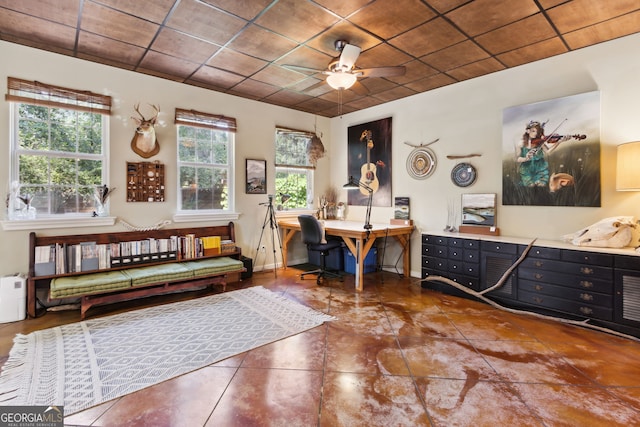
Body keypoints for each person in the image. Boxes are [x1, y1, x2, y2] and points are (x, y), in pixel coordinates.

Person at [515, 120, 566, 187]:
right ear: (528, 131)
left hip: (540, 168)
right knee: (530, 186)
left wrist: (558, 142)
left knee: (541, 185)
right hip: (526, 169)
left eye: (537, 131)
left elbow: (548, 152)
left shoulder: (540, 142)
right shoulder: (521, 143)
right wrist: (526, 158)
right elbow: (517, 159)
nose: (535, 133)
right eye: (533, 131)